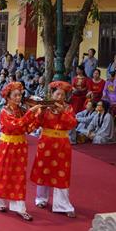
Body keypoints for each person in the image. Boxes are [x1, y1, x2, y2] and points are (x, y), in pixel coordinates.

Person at [0, 81, 38, 221]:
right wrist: (30, 113)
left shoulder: (21, 110)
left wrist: (37, 115)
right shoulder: (4, 112)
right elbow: (14, 125)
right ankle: (0, 201)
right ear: (8, 97)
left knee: (19, 176)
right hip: (8, 146)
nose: (18, 98)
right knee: (4, 172)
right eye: (15, 95)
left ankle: (19, 207)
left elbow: (28, 128)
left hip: (20, 146)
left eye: (20, 95)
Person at [30, 81, 77, 218]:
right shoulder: (45, 107)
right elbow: (36, 123)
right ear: (52, 94)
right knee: (43, 169)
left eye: (62, 94)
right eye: (57, 94)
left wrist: (63, 113)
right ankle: (41, 199)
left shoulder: (68, 108)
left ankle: (62, 204)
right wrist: (40, 111)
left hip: (62, 144)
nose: (59, 97)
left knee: (61, 173)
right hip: (46, 142)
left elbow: (72, 124)